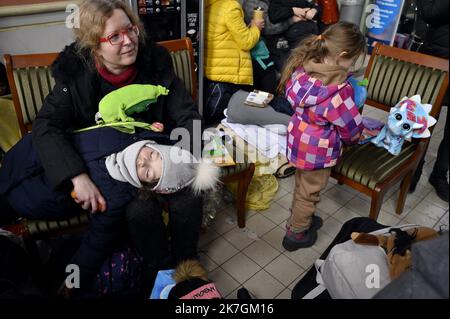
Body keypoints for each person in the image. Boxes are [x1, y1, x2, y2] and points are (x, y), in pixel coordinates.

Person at [19, 0, 201, 294]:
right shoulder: (75, 76)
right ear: (95, 46)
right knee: (138, 209)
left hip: (158, 150)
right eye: (114, 36)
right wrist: (77, 177)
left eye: (130, 30)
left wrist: (187, 157)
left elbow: (186, 113)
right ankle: (163, 272)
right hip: (114, 166)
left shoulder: (155, 62)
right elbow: (46, 126)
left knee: (191, 193)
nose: (129, 40)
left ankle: (189, 269)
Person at [278, 22, 365, 251]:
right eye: (352, 61)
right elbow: (351, 126)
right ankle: (296, 233)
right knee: (310, 193)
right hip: (317, 150)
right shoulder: (337, 90)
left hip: (297, 140)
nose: (352, 67)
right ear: (343, 56)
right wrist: (355, 139)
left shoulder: (301, 71)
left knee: (301, 185)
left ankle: (299, 219)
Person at [408, 0, 449, 202]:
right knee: (424, 119)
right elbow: (429, 12)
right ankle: (412, 169)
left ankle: (440, 174)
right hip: (439, 58)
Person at [203, 0, 264, 124]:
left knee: (211, 122)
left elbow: (227, 35)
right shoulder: (230, 7)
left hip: (215, 72)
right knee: (225, 122)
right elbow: (246, 42)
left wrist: (249, 28)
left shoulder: (209, 5)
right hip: (229, 77)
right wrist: (256, 27)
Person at [267, 0, 323, 70]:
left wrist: (314, 10)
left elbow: (315, 7)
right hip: (290, 42)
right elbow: (274, 16)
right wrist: (293, 11)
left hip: (311, 38)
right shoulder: (277, 3)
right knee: (292, 66)